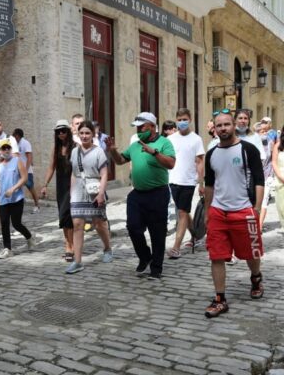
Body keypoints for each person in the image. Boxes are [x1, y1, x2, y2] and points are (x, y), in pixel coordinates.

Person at [203, 109, 264, 318]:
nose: (223, 128)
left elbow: (259, 180)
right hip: (219, 212)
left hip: (243, 211)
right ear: (214, 128)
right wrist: (208, 211)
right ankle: (220, 299)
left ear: (234, 125)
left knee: (250, 253)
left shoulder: (248, 150)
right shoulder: (211, 153)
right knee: (216, 256)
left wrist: (255, 209)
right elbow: (209, 185)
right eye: (219, 125)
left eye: (226, 124)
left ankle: (256, 277)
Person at [106, 112, 175, 279]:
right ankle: (145, 257)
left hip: (158, 193)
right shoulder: (136, 144)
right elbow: (121, 160)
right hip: (137, 194)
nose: (138, 129)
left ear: (152, 126)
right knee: (133, 227)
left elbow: (171, 163)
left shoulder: (164, 142)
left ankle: (156, 267)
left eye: (141, 126)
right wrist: (113, 150)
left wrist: (154, 153)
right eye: (136, 127)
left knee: (157, 232)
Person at [65, 120, 111, 274]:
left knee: (99, 224)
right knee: (77, 224)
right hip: (78, 191)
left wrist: (101, 193)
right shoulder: (74, 152)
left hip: (94, 189)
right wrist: (71, 193)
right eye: (82, 133)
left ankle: (107, 248)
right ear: (78, 134)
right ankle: (78, 261)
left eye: (87, 133)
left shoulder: (99, 152)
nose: (84, 136)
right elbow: (73, 173)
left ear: (93, 135)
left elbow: (104, 174)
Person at [166, 108, 205, 259]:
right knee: (183, 211)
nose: (182, 122)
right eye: (179, 119)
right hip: (172, 180)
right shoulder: (170, 139)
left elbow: (200, 161)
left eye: (185, 119)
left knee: (181, 212)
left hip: (188, 182)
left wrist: (200, 182)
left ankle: (176, 247)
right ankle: (195, 234)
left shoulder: (196, 139)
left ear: (190, 120)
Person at [41, 120, 75, 262]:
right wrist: (45, 184)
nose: (61, 133)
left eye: (64, 130)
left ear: (68, 131)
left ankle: (70, 247)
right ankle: (68, 244)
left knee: (68, 215)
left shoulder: (75, 147)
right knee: (62, 215)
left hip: (72, 185)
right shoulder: (56, 148)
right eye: (58, 131)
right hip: (60, 186)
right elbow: (51, 167)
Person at [0, 138, 35, 258]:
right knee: (4, 223)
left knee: (16, 223)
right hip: (3, 199)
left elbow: (24, 178)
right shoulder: (0, 165)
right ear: (0, 151)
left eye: (8, 147)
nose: (6, 150)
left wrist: (13, 189)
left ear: (11, 149)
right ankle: (7, 248)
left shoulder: (17, 160)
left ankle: (29, 237)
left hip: (16, 198)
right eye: (4, 148)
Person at [0, 119, 19, 239]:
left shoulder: (9, 139)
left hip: (7, 177)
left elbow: (16, 157)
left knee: (6, 204)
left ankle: (7, 226)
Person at [12, 128, 40, 213]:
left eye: (14, 135)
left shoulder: (25, 143)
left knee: (30, 188)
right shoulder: (14, 144)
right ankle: (16, 207)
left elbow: (29, 157)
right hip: (18, 170)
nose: (13, 137)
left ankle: (37, 205)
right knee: (16, 188)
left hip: (26, 171)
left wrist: (26, 171)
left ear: (17, 135)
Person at [255, 122, 275, 229]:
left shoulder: (270, 142)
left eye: (265, 131)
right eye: (261, 131)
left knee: (264, 200)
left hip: (267, 175)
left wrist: (272, 175)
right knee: (255, 201)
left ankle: (260, 226)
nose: (264, 134)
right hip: (255, 177)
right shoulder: (252, 144)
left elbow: (273, 159)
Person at [272, 127, 284, 229]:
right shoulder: (278, 146)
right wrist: (281, 177)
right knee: (282, 208)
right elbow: (274, 163)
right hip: (281, 181)